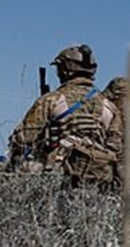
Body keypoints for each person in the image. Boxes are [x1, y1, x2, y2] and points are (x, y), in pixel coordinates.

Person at [9, 45, 122, 185]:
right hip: (96, 178)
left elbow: (23, 138)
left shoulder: (51, 99)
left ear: (65, 69)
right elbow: (116, 148)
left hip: (56, 174)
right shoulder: (110, 106)